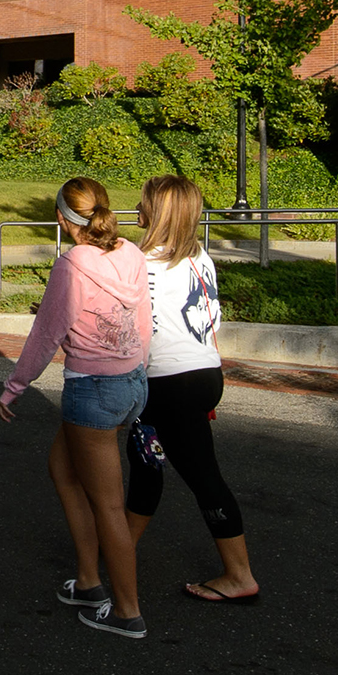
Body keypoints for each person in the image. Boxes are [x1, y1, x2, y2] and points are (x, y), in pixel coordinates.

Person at [0, 176, 151, 640]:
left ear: (63, 220)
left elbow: (46, 334)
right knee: (62, 470)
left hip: (95, 389)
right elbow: (144, 321)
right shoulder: (131, 252)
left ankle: (127, 611)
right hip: (131, 382)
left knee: (107, 502)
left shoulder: (72, 265)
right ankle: (87, 582)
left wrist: (14, 387)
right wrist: (140, 375)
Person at [123, 175, 259, 605]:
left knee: (199, 476)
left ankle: (239, 575)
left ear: (154, 212)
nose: (137, 208)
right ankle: (118, 551)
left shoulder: (137, 261)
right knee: (148, 462)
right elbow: (211, 319)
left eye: (143, 203)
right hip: (204, 373)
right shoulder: (200, 256)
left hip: (168, 381)